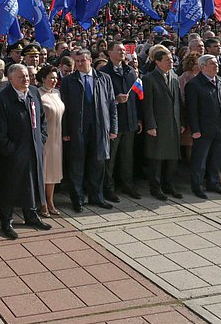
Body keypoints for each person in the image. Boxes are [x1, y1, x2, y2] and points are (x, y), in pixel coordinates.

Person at [0, 63, 50, 239]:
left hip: (33, 149)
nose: (26, 80)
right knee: (11, 187)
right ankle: (6, 221)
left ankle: (31, 215)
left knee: (31, 185)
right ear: (10, 79)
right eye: (21, 77)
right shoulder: (2, 100)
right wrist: (11, 150)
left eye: (27, 76)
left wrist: (41, 140)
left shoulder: (33, 92)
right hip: (13, 155)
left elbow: (42, 120)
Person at [60, 49, 118, 212]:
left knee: (97, 164)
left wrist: (113, 128)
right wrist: (65, 131)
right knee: (77, 166)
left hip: (100, 128)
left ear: (90, 61)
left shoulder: (104, 78)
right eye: (76, 61)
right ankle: (77, 199)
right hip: (77, 129)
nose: (79, 64)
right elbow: (64, 108)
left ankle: (96, 197)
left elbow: (112, 104)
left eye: (82, 61)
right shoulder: (68, 81)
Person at [185, 55, 221, 198]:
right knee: (200, 160)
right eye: (212, 64)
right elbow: (191, 110)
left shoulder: (220, 81)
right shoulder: (194, 84)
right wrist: (195, 130)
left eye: (216, 63)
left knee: (216, 159)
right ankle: (197, 186)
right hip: (203, 130)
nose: (216, 66)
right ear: (202, 67)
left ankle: (213, 183)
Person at [99, 42, 142, 200]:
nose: (123, 52)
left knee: (127, 156)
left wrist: (138, 118)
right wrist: (116, 100)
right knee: (110, 158)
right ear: (110, 53)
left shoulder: (130, 70)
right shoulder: (104, 72)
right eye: (119, 50)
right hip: (114, 123)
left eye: (124, 50)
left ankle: (127, 185)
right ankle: (108, 188)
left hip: (129, 120)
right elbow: (102, 98)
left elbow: (136, 98)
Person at [142, 49, 183, 200]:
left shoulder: (174, 76)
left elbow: (178, 101)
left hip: (173, 123)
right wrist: (151, 125)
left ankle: (169, 185)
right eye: (167, 60)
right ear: (157, 62)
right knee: (156, 158)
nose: (171, 62)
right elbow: (148, 105)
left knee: (172, 157)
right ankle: (156, 187)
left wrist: (182, 122)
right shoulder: (149, 78)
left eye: (172, 59)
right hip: (158, 124)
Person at [36, 65, 64, 217]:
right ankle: (42, 203)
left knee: (53, 172)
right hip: (44, 140)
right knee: (44, 172)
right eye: (51, 78)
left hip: (57, 139)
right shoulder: (37, 94)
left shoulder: (57, 93)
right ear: (43, 79)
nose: (54, 80)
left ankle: (50, 200)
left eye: (55, 77)